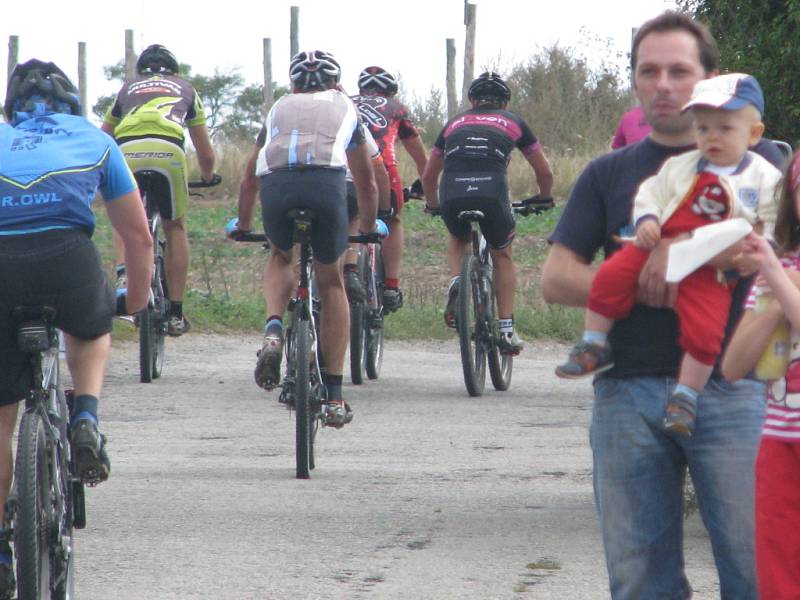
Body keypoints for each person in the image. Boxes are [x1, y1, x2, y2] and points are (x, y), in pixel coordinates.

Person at [541, 11, 782, 598]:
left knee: (757, 575)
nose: (664, 85)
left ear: (711, 79)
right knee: (640, 581)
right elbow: (556, 277)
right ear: (635, 81)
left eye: (679, 71)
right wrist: (637, 278)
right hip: (626, 394)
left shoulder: (771, 164)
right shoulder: (609, 173)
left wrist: (697, 265)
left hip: (742, 390)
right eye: (649, 71)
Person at [556, 72, 781, 438]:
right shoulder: (682, 166)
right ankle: (594, 343)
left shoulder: (763, 176)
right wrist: (646, 220)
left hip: (711, 266)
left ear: (753, 134)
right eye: (703, 128)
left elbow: (775, 224)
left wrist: (761, 250)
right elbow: (652, 193)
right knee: (612, 274)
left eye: (725, 128)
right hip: (658, 241)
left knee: (707, 331)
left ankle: (686, 395)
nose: (712, 138)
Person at [0, 59, 152, 596]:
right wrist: (131, 302)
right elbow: (137, 238)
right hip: (69, 259)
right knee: (90, 328)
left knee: (0, 422)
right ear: (72, 104)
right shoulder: (95, 139)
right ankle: (84, 417)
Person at [230, 50, 379, 427]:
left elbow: (250, 176)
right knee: (331, 284)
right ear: (336, 83)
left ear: (293, 84)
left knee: (281, 257)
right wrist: (368, 228)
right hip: (327, 184)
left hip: (277, 186)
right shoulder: (347, 107)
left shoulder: (278, 107)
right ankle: (333, 397)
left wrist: (243, 224)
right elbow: (366, 180)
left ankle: (274, 329)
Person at [421, 71, 553, 354]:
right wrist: (543, 197)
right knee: (502, 252)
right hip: (492, 191)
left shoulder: (453, 123)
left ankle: (459, 281)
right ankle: (506, 329)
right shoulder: (515, 121)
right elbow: (544, 171)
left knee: (458, 237)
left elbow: (429, 176)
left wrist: (433, 205)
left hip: (453, 190)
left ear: (472, 100)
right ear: (505, 103)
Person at [722, 154, 800, 599]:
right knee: (779, 578)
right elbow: (733, 367)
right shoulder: (781, 270)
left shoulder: (775, 269)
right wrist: (775, 300)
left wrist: (774, 272)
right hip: (779, 444)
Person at [101, 43, 216, 336]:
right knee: (175, 227)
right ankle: (176, 312)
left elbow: (104, 136)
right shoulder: (185, 87)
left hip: (126, 151)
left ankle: (125, 278)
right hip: (168, 152)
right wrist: (207, 175)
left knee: (125, 220)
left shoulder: (127, 89)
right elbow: (205, 151)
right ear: (174, 70)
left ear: (141, 71)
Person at [352, 66, 428, 312]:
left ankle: (349, 268)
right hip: (382, 167)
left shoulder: (345, 102)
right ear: (391, 92)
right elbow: (421, 160)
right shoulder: (397, 108)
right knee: (393, 219)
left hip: (345, 167)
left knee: (349, 216)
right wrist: (424, 186)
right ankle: (391, 286)